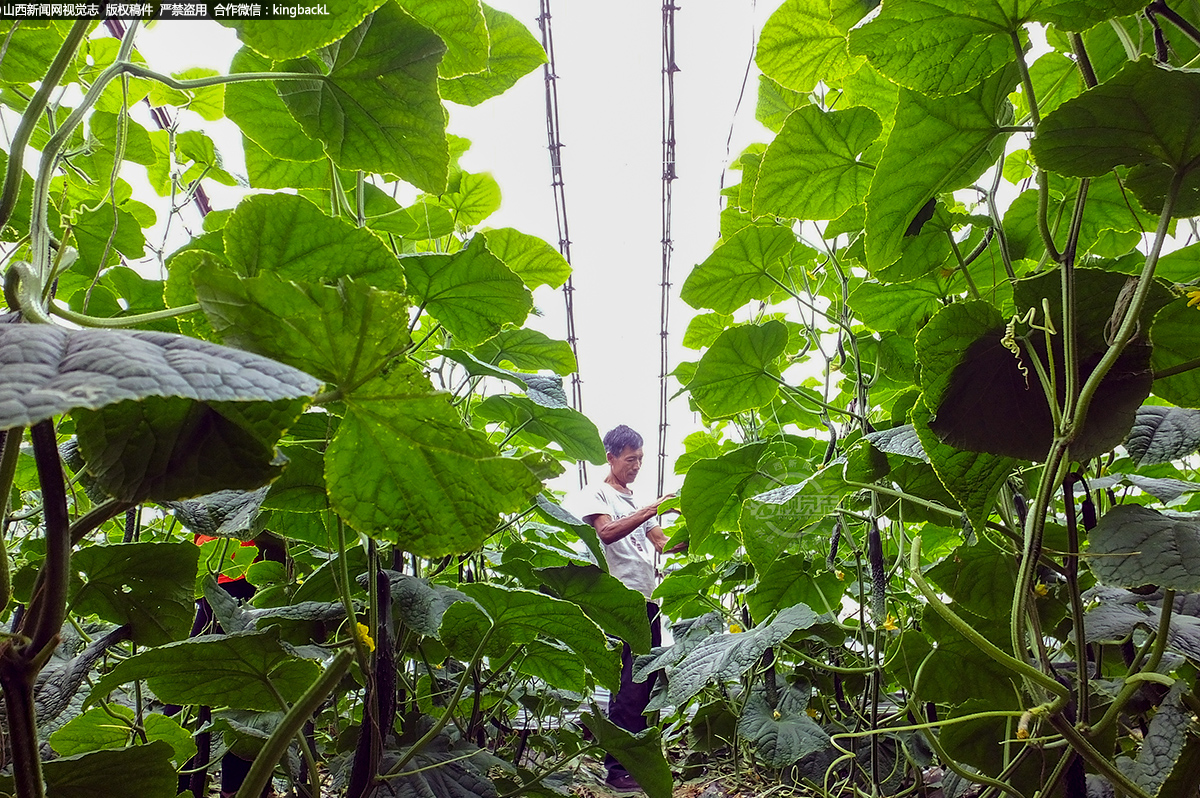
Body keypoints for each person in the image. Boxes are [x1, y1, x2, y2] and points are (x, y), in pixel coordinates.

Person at [566, 424, 681, 793]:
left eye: (641, 459)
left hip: (647, 602)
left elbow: (663, 544)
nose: (637, 466)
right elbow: (607, 532)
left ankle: (640, 761)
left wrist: (697, 532)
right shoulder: (595, 493)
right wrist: (653, 507)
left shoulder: (634, 500)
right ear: (610, 457)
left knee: (646, 683)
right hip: (618, 601)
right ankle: (617, 769)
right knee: (627, 686)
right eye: (631, 459)